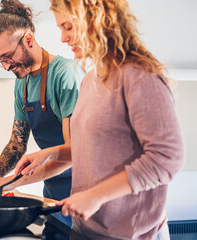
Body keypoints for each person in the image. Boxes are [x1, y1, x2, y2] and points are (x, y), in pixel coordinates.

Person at [14, 0, 185, 239]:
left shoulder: (140, 77)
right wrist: (49, 154)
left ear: (97, 20)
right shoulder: (90, 79)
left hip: (132, 234)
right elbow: (89, 150)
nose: (63, 38)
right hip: (86, 229)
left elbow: (167, 158)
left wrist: (95, 196)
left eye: (68, 27)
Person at [0, 0, 85, 227]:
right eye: (1, 60)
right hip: (53, 195)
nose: (7, 66)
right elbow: (16, 144)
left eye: (8, 56)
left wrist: (9, 182)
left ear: (28, 39)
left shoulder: (65, 75)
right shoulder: (23, 83)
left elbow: (73, 153)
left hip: (83, 194)